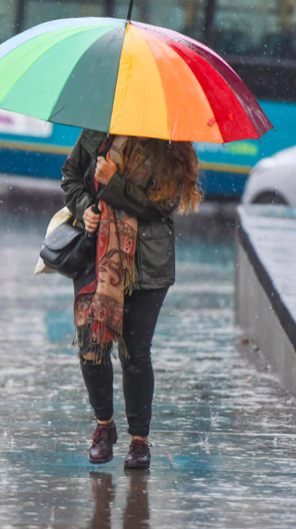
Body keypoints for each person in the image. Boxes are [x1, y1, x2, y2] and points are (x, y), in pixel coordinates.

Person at [60, 129, 202, 469]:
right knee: (92, 346)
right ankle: (104, 427)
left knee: (135, 354)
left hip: (146, 264)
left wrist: (112, 184)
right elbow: (70, 178)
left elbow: (160, 205)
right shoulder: (97, 132)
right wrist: (85, 208)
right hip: (96, 256)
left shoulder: (169, 142)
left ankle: (139, 440)